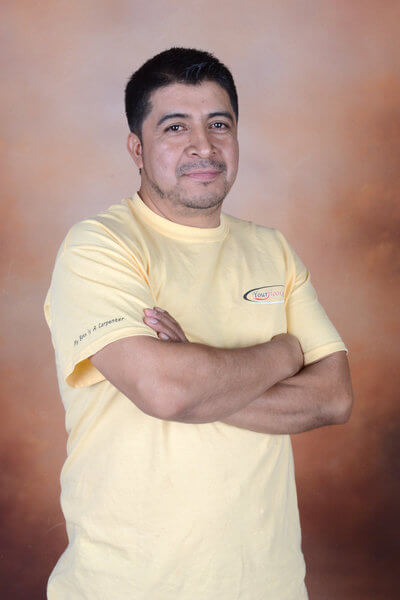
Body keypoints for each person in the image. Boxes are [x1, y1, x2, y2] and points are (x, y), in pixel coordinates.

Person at [43, 46, 353, 600]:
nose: (203, 146)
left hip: (269, 587)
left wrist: (198, 378)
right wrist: (284, 353)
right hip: (127, 587)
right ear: (137, 148)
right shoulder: (99, 247)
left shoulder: (272, 250)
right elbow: (166, 391)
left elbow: (333, 398)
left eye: (219, 124)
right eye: (175, 127)